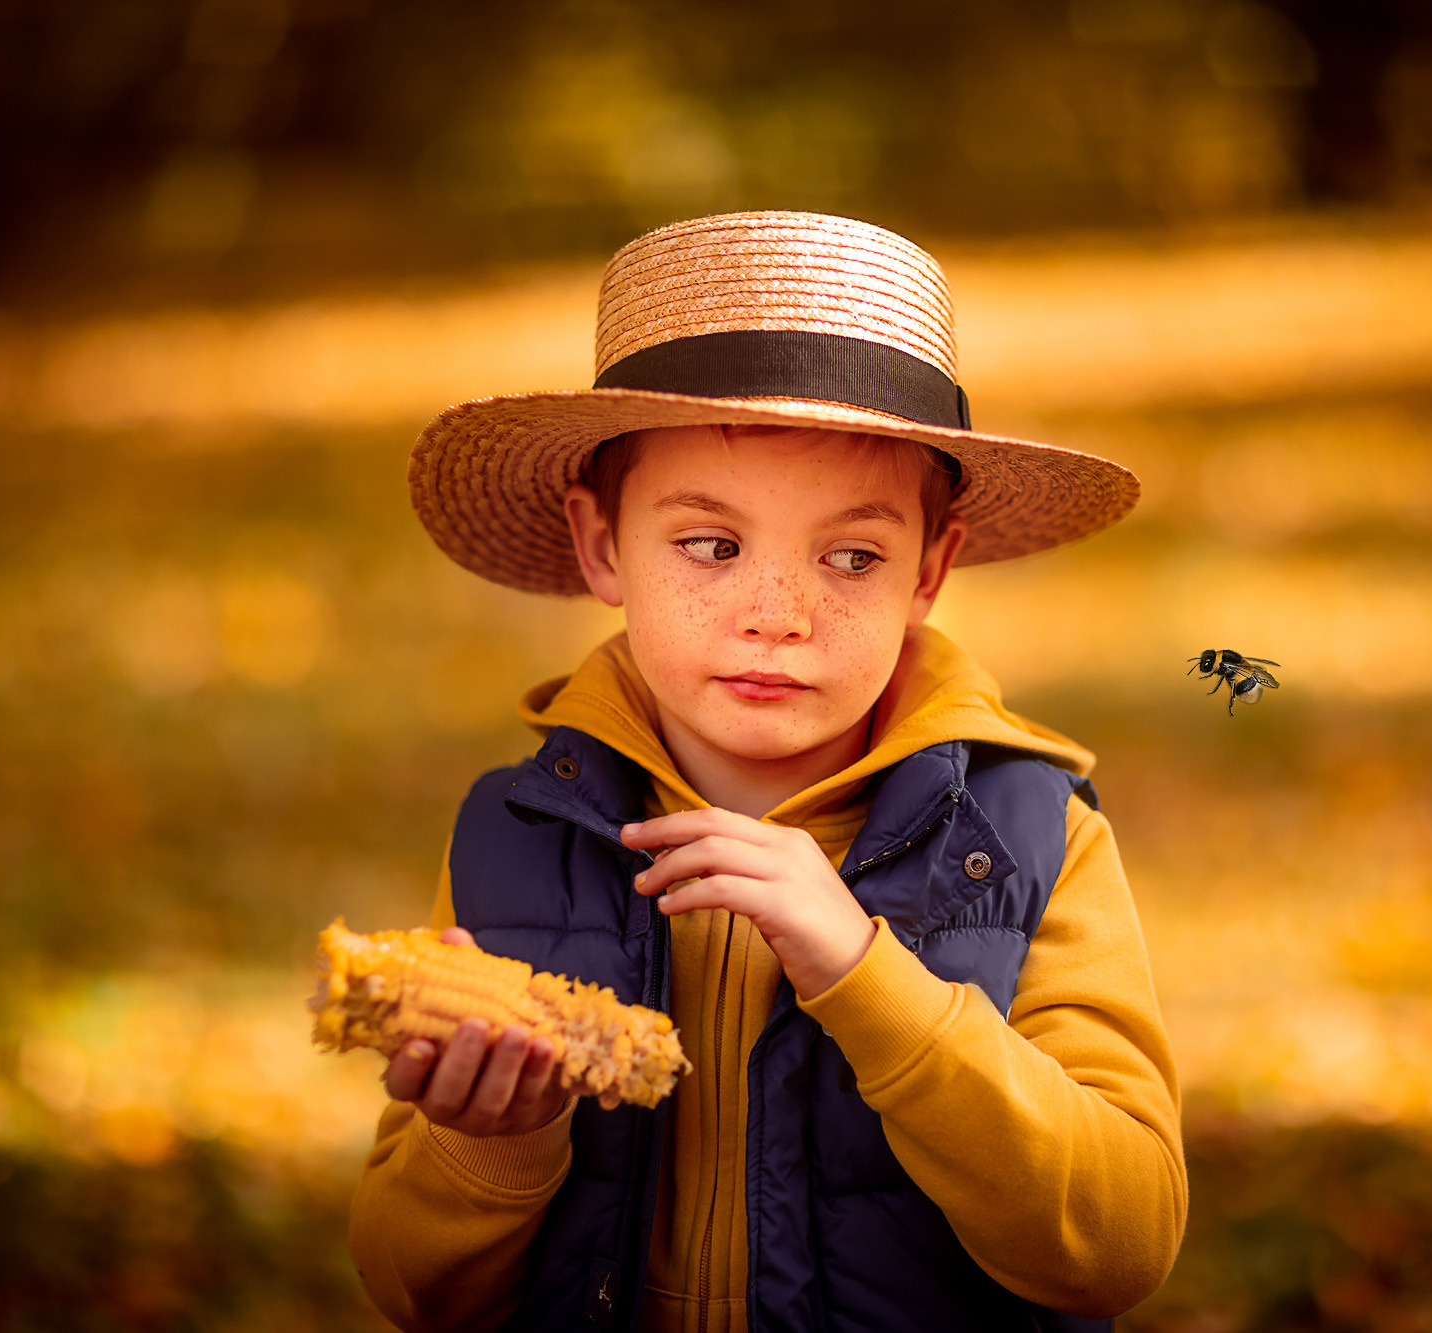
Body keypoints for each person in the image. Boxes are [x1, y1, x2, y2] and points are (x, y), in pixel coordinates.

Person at [348, 211, 1186, 1333]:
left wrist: (866, 976)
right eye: (710, 545)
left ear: (928, 570)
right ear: (602, 545)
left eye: (852, 556)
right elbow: (410, 1292)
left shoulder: (1029, 835)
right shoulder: (517, 837)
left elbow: (1119, 1243)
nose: (776, 616)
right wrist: (492, 1147)